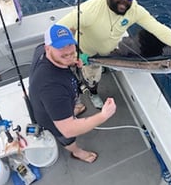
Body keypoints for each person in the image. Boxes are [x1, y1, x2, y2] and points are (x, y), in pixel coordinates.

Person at [58, 0, 171, 108]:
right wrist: (76, 53)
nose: (125, 1)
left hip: (112, 50)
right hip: (87, 54)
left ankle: (105, 66)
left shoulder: (134, 10)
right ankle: (93, 93)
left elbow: (160, 30)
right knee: (93, 78)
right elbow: (58, 31)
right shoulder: (89, 10)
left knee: (110, 63)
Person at [29, 24, 116, 163]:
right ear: (48, 48)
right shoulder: (52, 89)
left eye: (69, 45)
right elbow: (69, 130)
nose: (68, 52)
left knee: (70, 106)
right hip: (52, 118)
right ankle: (77, 152)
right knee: (67, 138)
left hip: (61, 100)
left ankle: (73, 111)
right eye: (60, 48)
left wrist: (71, 61)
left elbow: (64, 55)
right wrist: (104, 115)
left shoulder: (41, 50)